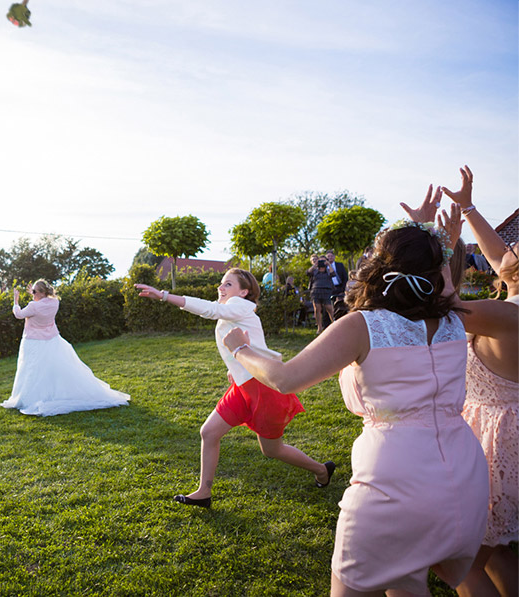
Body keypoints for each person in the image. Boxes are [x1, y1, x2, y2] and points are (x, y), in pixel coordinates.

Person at [223, 204, 489, 595]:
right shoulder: (454, 317)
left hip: (395, 477)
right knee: (406, 582)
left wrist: (241, 350)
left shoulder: (364, 325)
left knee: (351, 586)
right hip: (464, 471)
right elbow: (445, 282)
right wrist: (435, 237)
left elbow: (284, 379)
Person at [134, 269, 334, 509]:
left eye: (228, 284)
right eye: (221, 283)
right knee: (209, 433)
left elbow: (210, 309)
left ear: (244, 291)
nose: (221, 288)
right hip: (243, 386)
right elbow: (244, 344)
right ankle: (203, 493)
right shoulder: (233, 312)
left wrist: (165, 296)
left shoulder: (240, 305)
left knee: (272, 450)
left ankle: (322, 470)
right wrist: (235, 369)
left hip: (263, 388)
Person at [430, 166, 518, 597]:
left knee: (457, 564)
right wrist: (467, 208)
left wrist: (441, 243)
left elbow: (443, 299)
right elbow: (498, 251)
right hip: (508, 432)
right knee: (499, 554)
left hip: (497, 446)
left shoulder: (507, 315)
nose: (510, 246)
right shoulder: (512, 307)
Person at [0, 279, 129, 416]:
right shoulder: (55, 302)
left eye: (34, 292)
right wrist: (36, 294)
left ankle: (31, 398)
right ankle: (51, 393)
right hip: (53, 340)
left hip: (34, 342)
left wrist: (16, 300)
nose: (32, 294)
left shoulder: (33, 306)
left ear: (42, 292)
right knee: (53, 369)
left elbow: (19, 314)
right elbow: (42, 305)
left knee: (32, 370)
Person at [308, 258, 335, 334]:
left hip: (326, 290)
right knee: (317, 309)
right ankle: (319, 327)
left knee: (329, 308)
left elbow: (333, 274)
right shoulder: (315, 271)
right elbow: (308, 272)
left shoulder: (328, 271)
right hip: (316, 290)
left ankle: (334, 324)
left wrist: (329, 264)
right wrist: (315, 265)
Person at [326, 251, 349, 318]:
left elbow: (345, 277)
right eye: (328, 256)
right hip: (329, 287)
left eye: (331, 256)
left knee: (340, 303)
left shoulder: (339, 265)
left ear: (334, 257)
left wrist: (343, 288)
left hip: (339, 287)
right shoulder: (325, 267)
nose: (330, 258)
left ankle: (340, 316)